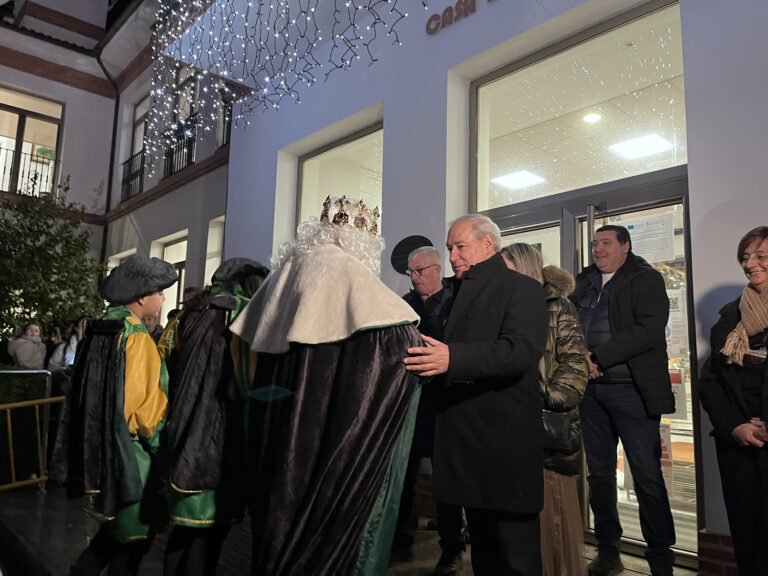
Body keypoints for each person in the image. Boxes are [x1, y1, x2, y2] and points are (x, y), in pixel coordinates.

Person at [230, 195, 421, 576]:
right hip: (328, 447)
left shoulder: (284, 275)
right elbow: (397, 348)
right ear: (362, 243)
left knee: (278, 514)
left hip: (276, 438)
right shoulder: (346, 273)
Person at [404, 214, 547, 575]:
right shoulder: (456, 294)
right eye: (450, 247)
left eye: (460, 246)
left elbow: (519, 351)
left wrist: (453, 357)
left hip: (503, 446)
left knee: (516, 557)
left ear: (488, 244)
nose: (452, 256)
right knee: (484, 555)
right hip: (467, 448)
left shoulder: (523, 289)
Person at [571, 224, 675, 576]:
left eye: (605, 243)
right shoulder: (582, 282)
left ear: (625, 247)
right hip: (591, 394)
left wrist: (597, 358)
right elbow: (568, 327)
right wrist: (581, 361)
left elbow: (646, 331)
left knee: (647, 478)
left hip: (633, 393)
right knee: (599, 476)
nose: (597, 249)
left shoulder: (645, 279)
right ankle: (608, 551)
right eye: (594, 244)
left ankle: (661, 561)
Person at [67, 255, 177, 576]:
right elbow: (145, 412)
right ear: (142, 296)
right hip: (132, 459)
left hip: (102, 450)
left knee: (112, 537)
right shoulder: (137, 337)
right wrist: (166, 449)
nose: (164, 298)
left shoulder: (100, 327)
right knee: (131, 545)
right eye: (160, 291)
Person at [159, 257, 269, 576]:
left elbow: (163, 361)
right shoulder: (247, 311)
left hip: (185, 421)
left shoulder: (187, 313)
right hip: (225, 431)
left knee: (183, 529)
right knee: (212, 530)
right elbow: (252, 377)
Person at [501, 243, 588, 576]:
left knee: (548, 525)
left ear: (523, 270)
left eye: (507, 269)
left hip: (543, 432)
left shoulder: (558, 307)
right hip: (509, 429)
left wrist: (544, 396)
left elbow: (575, 365)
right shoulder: (503, 306)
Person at [698, 225, 768, 575]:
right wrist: (735, 426)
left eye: (760, 256)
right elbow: (711, 381)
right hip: (739, 445)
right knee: (748, 540)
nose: (750, 263)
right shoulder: (731, 316)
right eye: (745, 257)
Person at [391, 246, 465, 576]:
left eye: (419, 271)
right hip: (411, 402)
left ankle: (451, 547)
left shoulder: (458, 300)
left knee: (445, 479)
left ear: (437, 269)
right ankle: (402, 542)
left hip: (445, 402)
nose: (414, 277)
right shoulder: (405, 305)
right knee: (403, 475)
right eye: (410, 272)